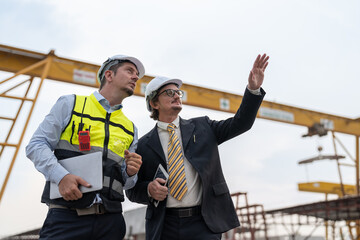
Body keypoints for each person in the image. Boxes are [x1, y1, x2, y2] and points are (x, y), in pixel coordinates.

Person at [126, 54, 269, 240]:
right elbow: (132, 190)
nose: (177, 95)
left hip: (203, 224)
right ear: (154, 103)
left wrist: (253, 89)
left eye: (178, 92)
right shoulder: (143, 145)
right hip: (164, 226)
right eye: (169, 93)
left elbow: (241, 123)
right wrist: (149, 189)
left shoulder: (203, 127)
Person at [26, 54, 145, 240]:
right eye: (129, 71)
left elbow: (128, 183)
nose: (136, 77)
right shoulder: (70, 105)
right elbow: (36, 145)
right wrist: (62, 176)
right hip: (67, 217)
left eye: (137, 74)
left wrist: (131, 172)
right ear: (109, 75)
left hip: (111, 221)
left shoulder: (130, 128)